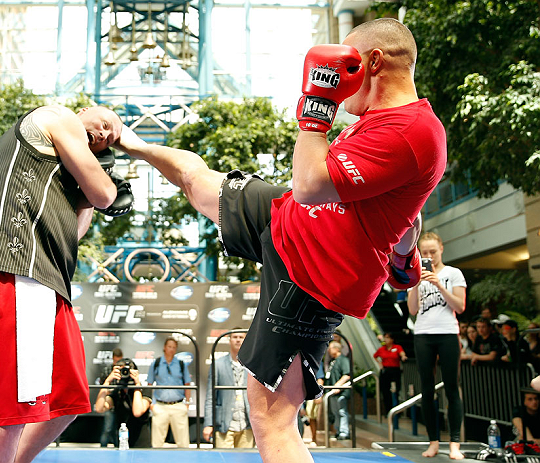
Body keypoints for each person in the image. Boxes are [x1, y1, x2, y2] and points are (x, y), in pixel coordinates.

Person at [115, 18, 446, 463]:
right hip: (285, 220)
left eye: (347, 66)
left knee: (272, 419)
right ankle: (128, 141)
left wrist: (316, 107)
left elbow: (311, 183)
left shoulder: (413, 131)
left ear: (373, 62)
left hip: (314, 276)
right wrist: (404, 256)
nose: (341, 83)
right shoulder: (379, 123)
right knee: (196, 181)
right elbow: (408, 212)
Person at [0, 104, 125, 463]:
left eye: (110, 138)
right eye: (106, 123)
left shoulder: (62, 176)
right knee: (13, 410)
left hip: (48, 282)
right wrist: (103, 184)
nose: (105, 134)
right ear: (84, 110)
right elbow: (104, 193)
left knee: (69, 400)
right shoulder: (57, 116)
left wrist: (91, 193)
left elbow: (76, 231)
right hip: (12, 267)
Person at [408, 231, 466, 459]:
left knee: (452, 387)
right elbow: (412, 310)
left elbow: (460, 306)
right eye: (425, 253)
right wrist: (415, 283)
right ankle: (433, 441)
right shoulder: (415, 275)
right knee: (427, 388)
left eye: (433, 251)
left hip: (448, 333)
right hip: (423, 333)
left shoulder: (453, 274)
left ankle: (455, 443)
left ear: (441, 248)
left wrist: (439, 285)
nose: (429, 256)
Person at [203, 329, 253, 448]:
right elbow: (211, 396)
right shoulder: (218, 364)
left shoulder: (252, 364)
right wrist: (208, 424)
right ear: (229, 340)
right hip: (224, 425)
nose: (238, 340)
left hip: (247, 425)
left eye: (241, 337)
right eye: (235, 337)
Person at [94, 358, 152, 448]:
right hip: (122, 445)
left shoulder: (144, 391)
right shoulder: (117, 393)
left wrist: (137, 385)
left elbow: (137, 412)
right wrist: (107, 381)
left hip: (141, 445)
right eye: (122, 371)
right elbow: (99, 408)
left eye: (127, 371)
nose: (125, 374)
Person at [147, 337, 192, 448]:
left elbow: (187, 384)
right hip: (160, 406)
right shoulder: (156, 363)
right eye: (169, 346)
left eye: (174, 347)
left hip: (178, 406)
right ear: (164, 347)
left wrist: (186, 403)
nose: (171, 349)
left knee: (183, 443)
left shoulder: (181, 364)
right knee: (157, 444)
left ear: (176, 349)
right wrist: (152, 404)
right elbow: (149, 384)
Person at [373, 333, 407, 414]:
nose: (386, 339)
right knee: (385, 391)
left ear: (392, 339)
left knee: (396, 390)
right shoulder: (381, 349)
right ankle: (387, 410)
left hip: (395, 370)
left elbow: (402, 353)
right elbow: (375, 356)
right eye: (385, 338)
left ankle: (396, 410)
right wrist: (379, 363)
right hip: (385, 370)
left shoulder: (397, 347)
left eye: (388, 338)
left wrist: (403, 357)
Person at [324, 341, 351, 440]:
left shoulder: (343, 359)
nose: (329, 350)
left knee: (342, 411)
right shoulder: (333, 361)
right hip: (332, 392)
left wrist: (338, 385)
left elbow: (347, 374)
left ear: (336, 349)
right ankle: (338, 430)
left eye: (330, 348)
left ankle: (344, 431)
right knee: (335, 412)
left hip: (340, 391)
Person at [97, 347, 124, 447]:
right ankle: (102, 448)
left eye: (119, 361)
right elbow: (101, 386)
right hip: (109, 400)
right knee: (108, 428)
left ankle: (119, 447)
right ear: (113, 359)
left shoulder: (124, 371)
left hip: (121, 402)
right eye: (116, 361)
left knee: (119, 429)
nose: (117, 363)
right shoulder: (107, 370)